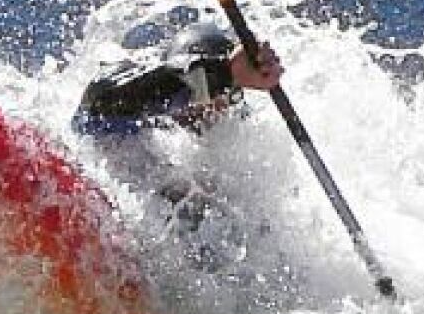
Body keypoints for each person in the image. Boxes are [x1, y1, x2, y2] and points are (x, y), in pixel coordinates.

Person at [71, 21, 284, 277]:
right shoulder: (126, 90)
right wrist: (223, 74)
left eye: (224, 100)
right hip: (86, 210)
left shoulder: (226, 139)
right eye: (202, 94)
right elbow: (103, 103)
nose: (211, 111)